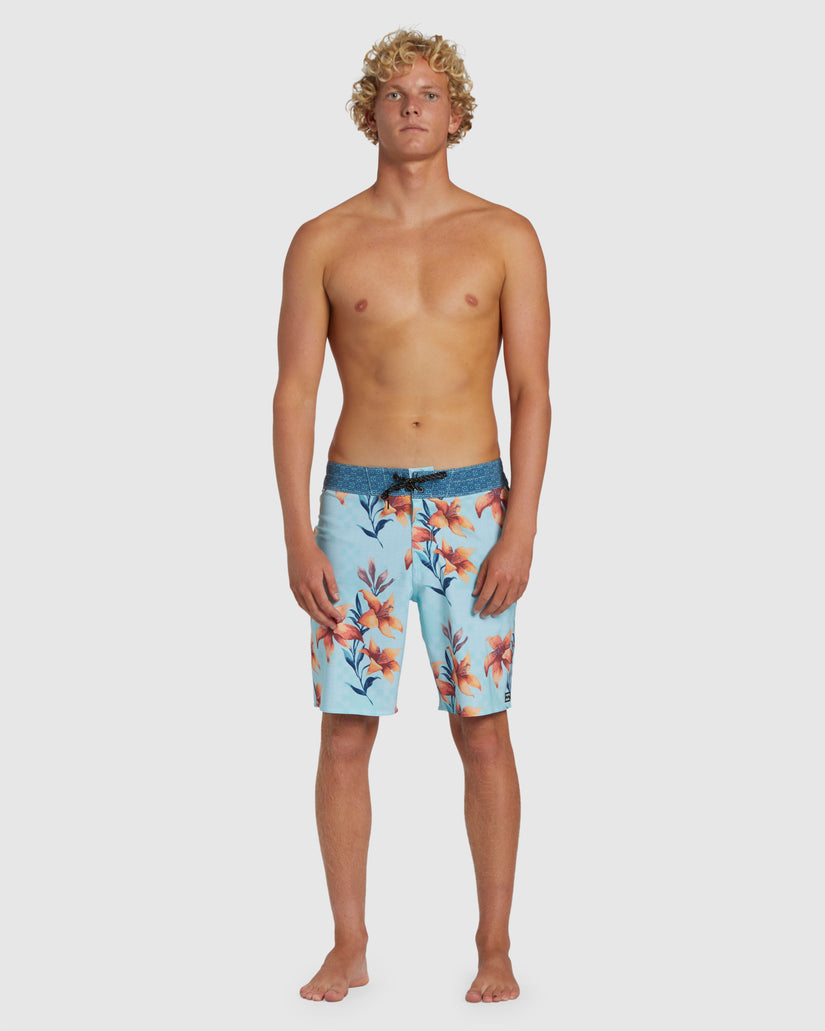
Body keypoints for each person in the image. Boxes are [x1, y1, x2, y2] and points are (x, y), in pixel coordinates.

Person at [272, 28, 551, 1004]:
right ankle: (348, 944)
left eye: (429, 93)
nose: (412, 107)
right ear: (371, 113)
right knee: (346, 730)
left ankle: (495, 946)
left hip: (474, 505)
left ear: (456, 113)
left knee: (483, 726)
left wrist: (521, 526)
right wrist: (296, 533)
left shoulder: (505, 234)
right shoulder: (323, 239)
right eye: (394, 93)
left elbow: (533, 391)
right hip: (357, 509)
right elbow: (294, 392)